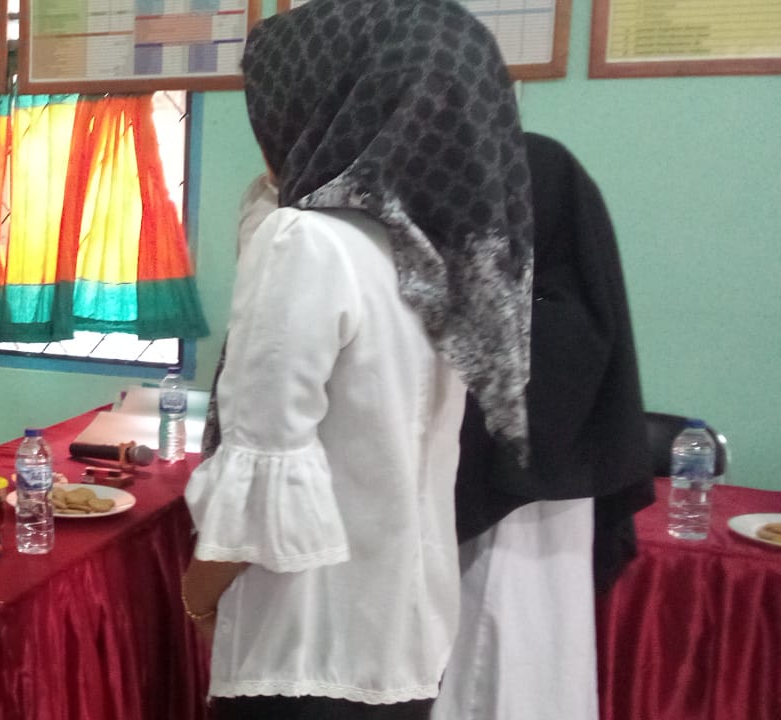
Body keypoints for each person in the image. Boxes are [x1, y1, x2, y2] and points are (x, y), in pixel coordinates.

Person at [181, 0, 534, 718]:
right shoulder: (444, 254)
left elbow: (264, 468)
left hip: (304, 643)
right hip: (406, 632)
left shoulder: (308, 241)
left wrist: (197, 594)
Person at [433, 132, 655, 720]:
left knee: (496, 671)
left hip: (517, 531)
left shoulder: (551, 328)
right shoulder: (564, 316)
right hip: (523, 527)